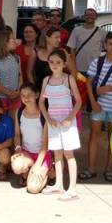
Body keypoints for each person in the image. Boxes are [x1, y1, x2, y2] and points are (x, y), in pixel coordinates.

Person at [80, 31, 112, 183]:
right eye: (110, 44)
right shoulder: (97, 62)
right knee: (93, 137)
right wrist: (93, 102)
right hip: (99, 106)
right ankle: (91, 168)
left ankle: (109, 169)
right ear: (105, 45)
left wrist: (108, 89)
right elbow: (89, 83)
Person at [39, 49, 82, 201]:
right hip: (54, 122)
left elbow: (78, 101)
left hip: (67, 122)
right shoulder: (46, 80)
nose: (54, 65)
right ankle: (58, 185)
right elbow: (41, 103)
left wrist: (70, 118)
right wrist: (48, 119)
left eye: (58, 62)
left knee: (68, 154)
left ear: (64, 64)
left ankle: (72, 188)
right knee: (57, 153)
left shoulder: (69, 79)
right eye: (51, 62)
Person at [10, 83, 52, 193]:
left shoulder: (44, 115)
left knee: (33, 189)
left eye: (29, 94)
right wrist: (18, 148)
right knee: (17, 167)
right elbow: (17, 134)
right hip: (27, 153)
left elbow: (45, 143)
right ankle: (29, 171)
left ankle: (46, 172)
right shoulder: (19, 112)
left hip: (42, 155)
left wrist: (38, 164)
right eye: (23, 95)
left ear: (37, 95)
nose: (26, 98)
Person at [28, 27, 77, 91]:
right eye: (56, 37)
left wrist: (68, 87)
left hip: (59, 90)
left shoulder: (62, 52)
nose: (59, 40)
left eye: (59, 37)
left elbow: (73, 71)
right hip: (40, 90)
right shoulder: (35, 52)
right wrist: (34, 88)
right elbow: (29, 71)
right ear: (47, 38)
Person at [67, 8, 105, 77]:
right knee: (80, 87)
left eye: (92, 15)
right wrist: (74, 65)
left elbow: (107, 46)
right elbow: (72, 48)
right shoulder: (76, 30)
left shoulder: (102, 32)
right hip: (79, 67)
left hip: (95, 68)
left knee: (93, 87)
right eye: (87, 14)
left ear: (96, 17)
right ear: (84, 16)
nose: (89, 16)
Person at [0, 28, 22, 112]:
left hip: (16, 96)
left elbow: (20, 75)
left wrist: (18, 91)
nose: (15, 41)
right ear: (4, 42)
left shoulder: (16, 57)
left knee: (14, 121)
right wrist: (9, 93)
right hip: (1, 98)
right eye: (12, 39)